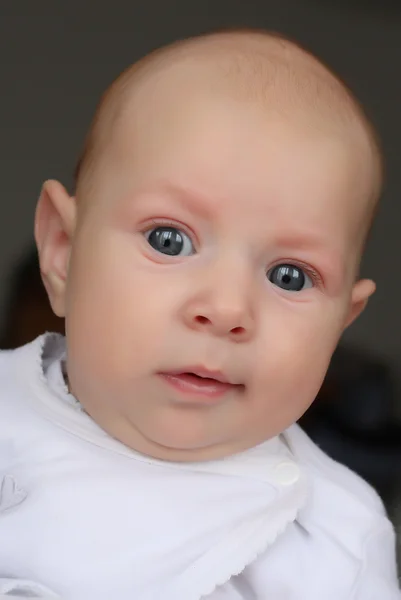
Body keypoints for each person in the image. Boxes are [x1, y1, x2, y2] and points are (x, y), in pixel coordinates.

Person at [0, 28, 399, 600]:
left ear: (340, 324)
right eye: (168, 240)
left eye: (289, 276)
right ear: (63, 252)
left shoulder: (335, 538)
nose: (226, 309)